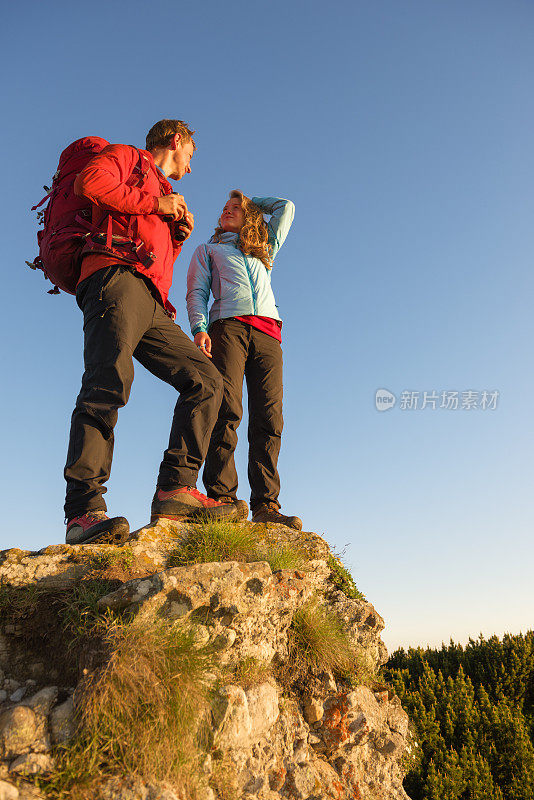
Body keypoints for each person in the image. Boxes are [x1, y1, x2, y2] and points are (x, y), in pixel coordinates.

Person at [64, 120, 242, 546]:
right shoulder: (128, 157)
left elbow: (157, 262)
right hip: (113, 276)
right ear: (176, 141)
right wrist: (156, 205)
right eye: (191, 156)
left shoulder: (160, 193)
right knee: (108, 383)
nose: (191, 167)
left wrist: (176, 235)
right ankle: (83, 512)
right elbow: (88, 184)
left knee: (207, 379)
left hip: (150, 299)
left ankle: (175, 490)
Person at [186, 191, 302, 530]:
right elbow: (197, 291)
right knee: (227, 409)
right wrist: (199, 327)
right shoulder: (209, 250)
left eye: (235, 208)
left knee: (269, 418)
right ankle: (221, 497)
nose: (227, 211)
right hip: (228, 329)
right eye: (224, 208)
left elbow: (286, 208)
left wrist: (251, 203)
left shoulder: (263, 252)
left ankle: (266, 505)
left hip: (269, 335)